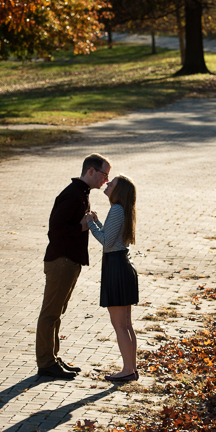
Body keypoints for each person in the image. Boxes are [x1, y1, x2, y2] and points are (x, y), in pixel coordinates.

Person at [35, 153, 112, 380]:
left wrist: (86, 222)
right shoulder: (72, 195)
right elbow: (55, 228)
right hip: (61, 261)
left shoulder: (81, 194)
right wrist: (81, 226)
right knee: (50, 313)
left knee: (57, 312)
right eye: (103, 174)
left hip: (69, 261)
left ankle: (53, 358)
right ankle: (45, 363)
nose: (105, 180)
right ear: (90, 171)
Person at [84, 175, 139, 383]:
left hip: (116, 267)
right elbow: (112, 235)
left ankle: (127, 370)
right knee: (126, 324)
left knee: (120, 325)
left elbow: (106, 242)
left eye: (112, 183)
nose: (107, 184)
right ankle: (131, 369)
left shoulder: (116, 209)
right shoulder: (121, 210)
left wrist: (90, 224)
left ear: (119, 191)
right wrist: (98, 222)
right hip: (122, 265)